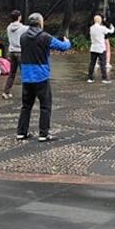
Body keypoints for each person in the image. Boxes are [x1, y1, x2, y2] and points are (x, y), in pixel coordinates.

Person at [16, 13, 71, 141]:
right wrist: (68, 42)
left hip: (26, 75)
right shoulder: (44, 37)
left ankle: (21, 132)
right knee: (45, 105)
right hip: (41, 75)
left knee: (26, 106)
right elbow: (62, 47)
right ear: (40, 23)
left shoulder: (23, 37)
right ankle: (43, 133)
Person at [2, 10, 28, 99]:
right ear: (19, 17)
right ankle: (27, 93)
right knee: (24, 74)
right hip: (21, 52)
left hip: (12, 52)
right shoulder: (24, 28)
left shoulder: (9, 27)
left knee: (12, 73)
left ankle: (6, 92)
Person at [87, 15, 114, 83]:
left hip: (93, 48)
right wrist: (112, 27)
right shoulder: (102, 28)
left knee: (92, 63)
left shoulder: (91, 28)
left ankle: (90, 78)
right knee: (103, 64)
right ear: (100, 21)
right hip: (101, 48)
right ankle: (104, 79)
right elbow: (111, 31)